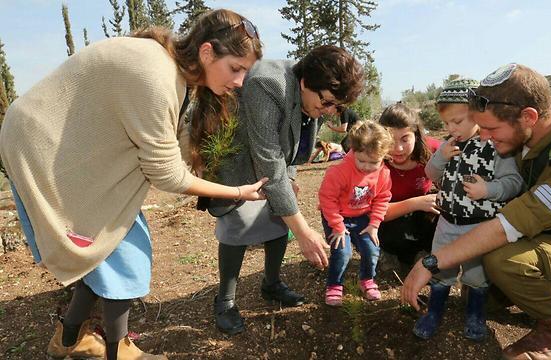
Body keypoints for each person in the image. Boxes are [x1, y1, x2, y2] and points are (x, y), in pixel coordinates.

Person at [0, 9, 266, 360]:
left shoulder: (169, 70)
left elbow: (170, 146)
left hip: (59, 146)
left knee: (109, 249)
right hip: (44, 150)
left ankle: (67, 340)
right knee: (126, 253)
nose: (240, 81)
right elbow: (167, 175)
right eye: (235, 68)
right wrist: (237, 192)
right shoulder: (156, 76)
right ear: (207, 52)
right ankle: (119, 351)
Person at [401, 63, 551, 360]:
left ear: (528, 116)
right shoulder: (533, 135)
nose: (483, 138)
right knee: (487, 302)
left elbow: (511, 224)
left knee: (500, 260)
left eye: (491, 128)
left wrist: (431, 262)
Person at [198, 45, 364, 334]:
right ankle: (224, 301)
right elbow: (268, 156)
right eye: (326, 103)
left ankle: (271, 283)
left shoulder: (318, 96)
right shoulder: (268, 84)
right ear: (305, 82)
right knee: (238, 225)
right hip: (236, 161)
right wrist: (304, 232)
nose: (327, 111)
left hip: (270, 160)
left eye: (334, 107)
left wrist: (290, 176)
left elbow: (293, 138)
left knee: (278, 220)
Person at [413, 78, 523, 342]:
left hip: (481, 226)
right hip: (447, 222)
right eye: (447, 123)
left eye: (458, 121)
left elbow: (513, 182)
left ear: (477, 114)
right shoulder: (449, 144)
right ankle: (434, 312)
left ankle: (475, 314)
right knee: (441, 271)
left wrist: (488, 190)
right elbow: (430, 174)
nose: (452, 128)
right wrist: (440, 157)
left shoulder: (496, 145)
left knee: (477, 275)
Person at [319, 120, 393, 306]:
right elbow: (327, 199)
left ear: (383, 156)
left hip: (362, 217)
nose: (367, 167)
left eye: (373, 162)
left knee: (371, 249)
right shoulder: (339, 171)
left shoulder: (383, 174)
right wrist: (337, 226)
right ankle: (334, 285)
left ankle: (367, 279)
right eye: (362, 161)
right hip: (337, 217)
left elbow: (382, 198)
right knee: (343, 252)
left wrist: (374, 224)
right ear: (353, 150)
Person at [377, 103, 441, 272]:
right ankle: (386, 252)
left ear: (416, 134)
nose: (398, 148)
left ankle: (425, 253)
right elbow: (373, 211)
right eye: (390, 140)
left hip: (419, 221)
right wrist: (416, 202)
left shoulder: (434, 150)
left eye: (405, 139)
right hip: (386, 224)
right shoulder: (371, 159)